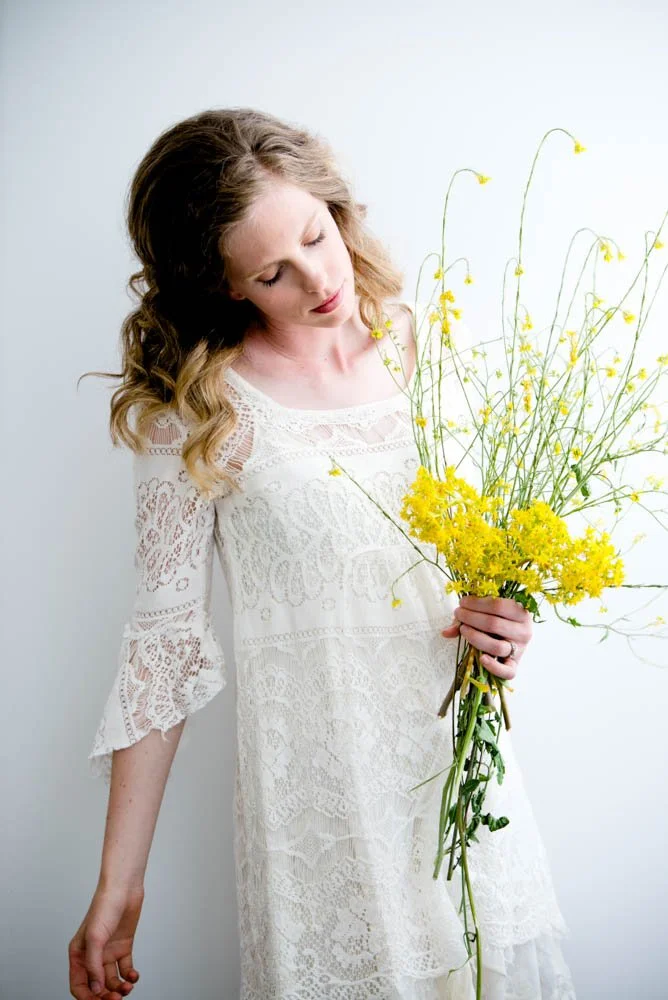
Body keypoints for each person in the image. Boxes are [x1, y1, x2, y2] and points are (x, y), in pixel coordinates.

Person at [69, 108, 576, 1000]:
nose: (318, 278)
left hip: (461, 795)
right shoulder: (195, 412)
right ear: (225, 287)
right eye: (272, 272)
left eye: (316, 234)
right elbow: (162, 646)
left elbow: (479, 569)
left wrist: (506, 623)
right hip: (320, 818)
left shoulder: (431, 350)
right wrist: (120, 879)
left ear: (333, 204)